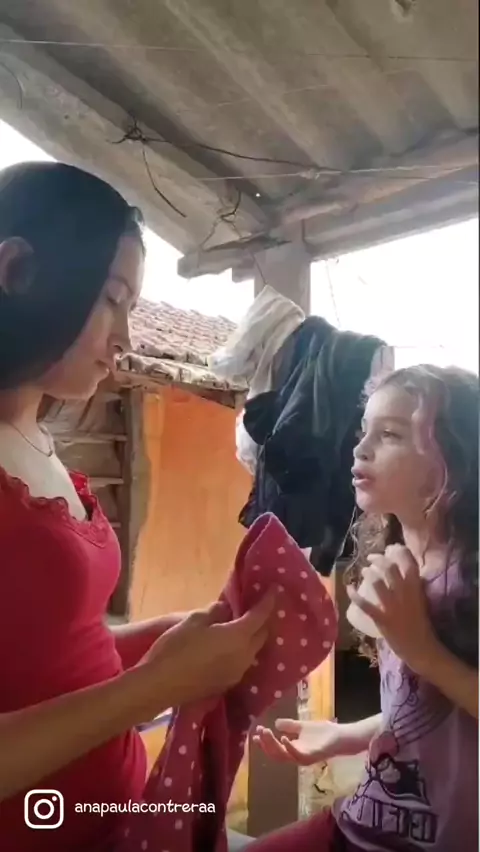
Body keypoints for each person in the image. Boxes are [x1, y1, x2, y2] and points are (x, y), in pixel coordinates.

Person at [0, 161, 275, 852]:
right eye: (113, 299)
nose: (125, 337)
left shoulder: (38, 440)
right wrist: (157, 686)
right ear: (16, 271)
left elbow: (56, 658)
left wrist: (165, 639)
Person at [251, 364, 478, 851]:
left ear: (454, 459)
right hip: (361, 824)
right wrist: (346, 736)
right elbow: (428, 708)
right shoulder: (400, 559)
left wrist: (422, 650)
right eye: (364, 430)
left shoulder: (471, 575)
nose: (360, 448)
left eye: (390, 434)